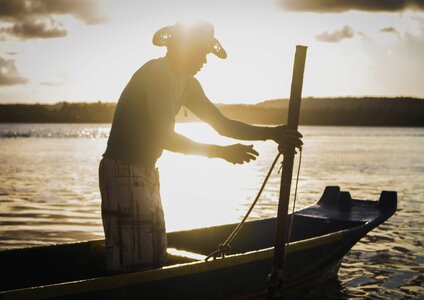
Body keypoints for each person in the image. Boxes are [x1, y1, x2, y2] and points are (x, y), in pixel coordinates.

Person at [98, 20, 302, 273]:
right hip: (122, 169)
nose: (204, 61)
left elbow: (222, 125)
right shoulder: (157, 74)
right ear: (183, 48)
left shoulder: (188, 84)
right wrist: (221, 152)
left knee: (154, 254)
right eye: (201, 53)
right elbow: (166, 138)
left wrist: (272, 133)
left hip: (147, 170)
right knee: (132, 259)